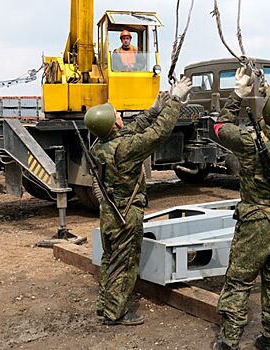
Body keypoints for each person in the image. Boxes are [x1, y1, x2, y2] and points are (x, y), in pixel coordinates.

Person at [212, 68, 270, 350]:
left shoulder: (249, 143)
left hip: (255, 223)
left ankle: (229, 341)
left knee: (239, 282)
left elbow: (219, 126)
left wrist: (239, 94)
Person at [84, 77, 192, 326]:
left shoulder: (102, 146)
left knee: (111, 258)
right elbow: (158, 134)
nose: (121, 116)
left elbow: (132, 129)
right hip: (126, 213)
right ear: (113, 125)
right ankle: (115, 313)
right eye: (117, 115)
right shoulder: (125, 149)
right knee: (126, 262)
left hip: (109, 211)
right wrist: (175, 101)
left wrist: (154, 108)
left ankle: (106, 304)